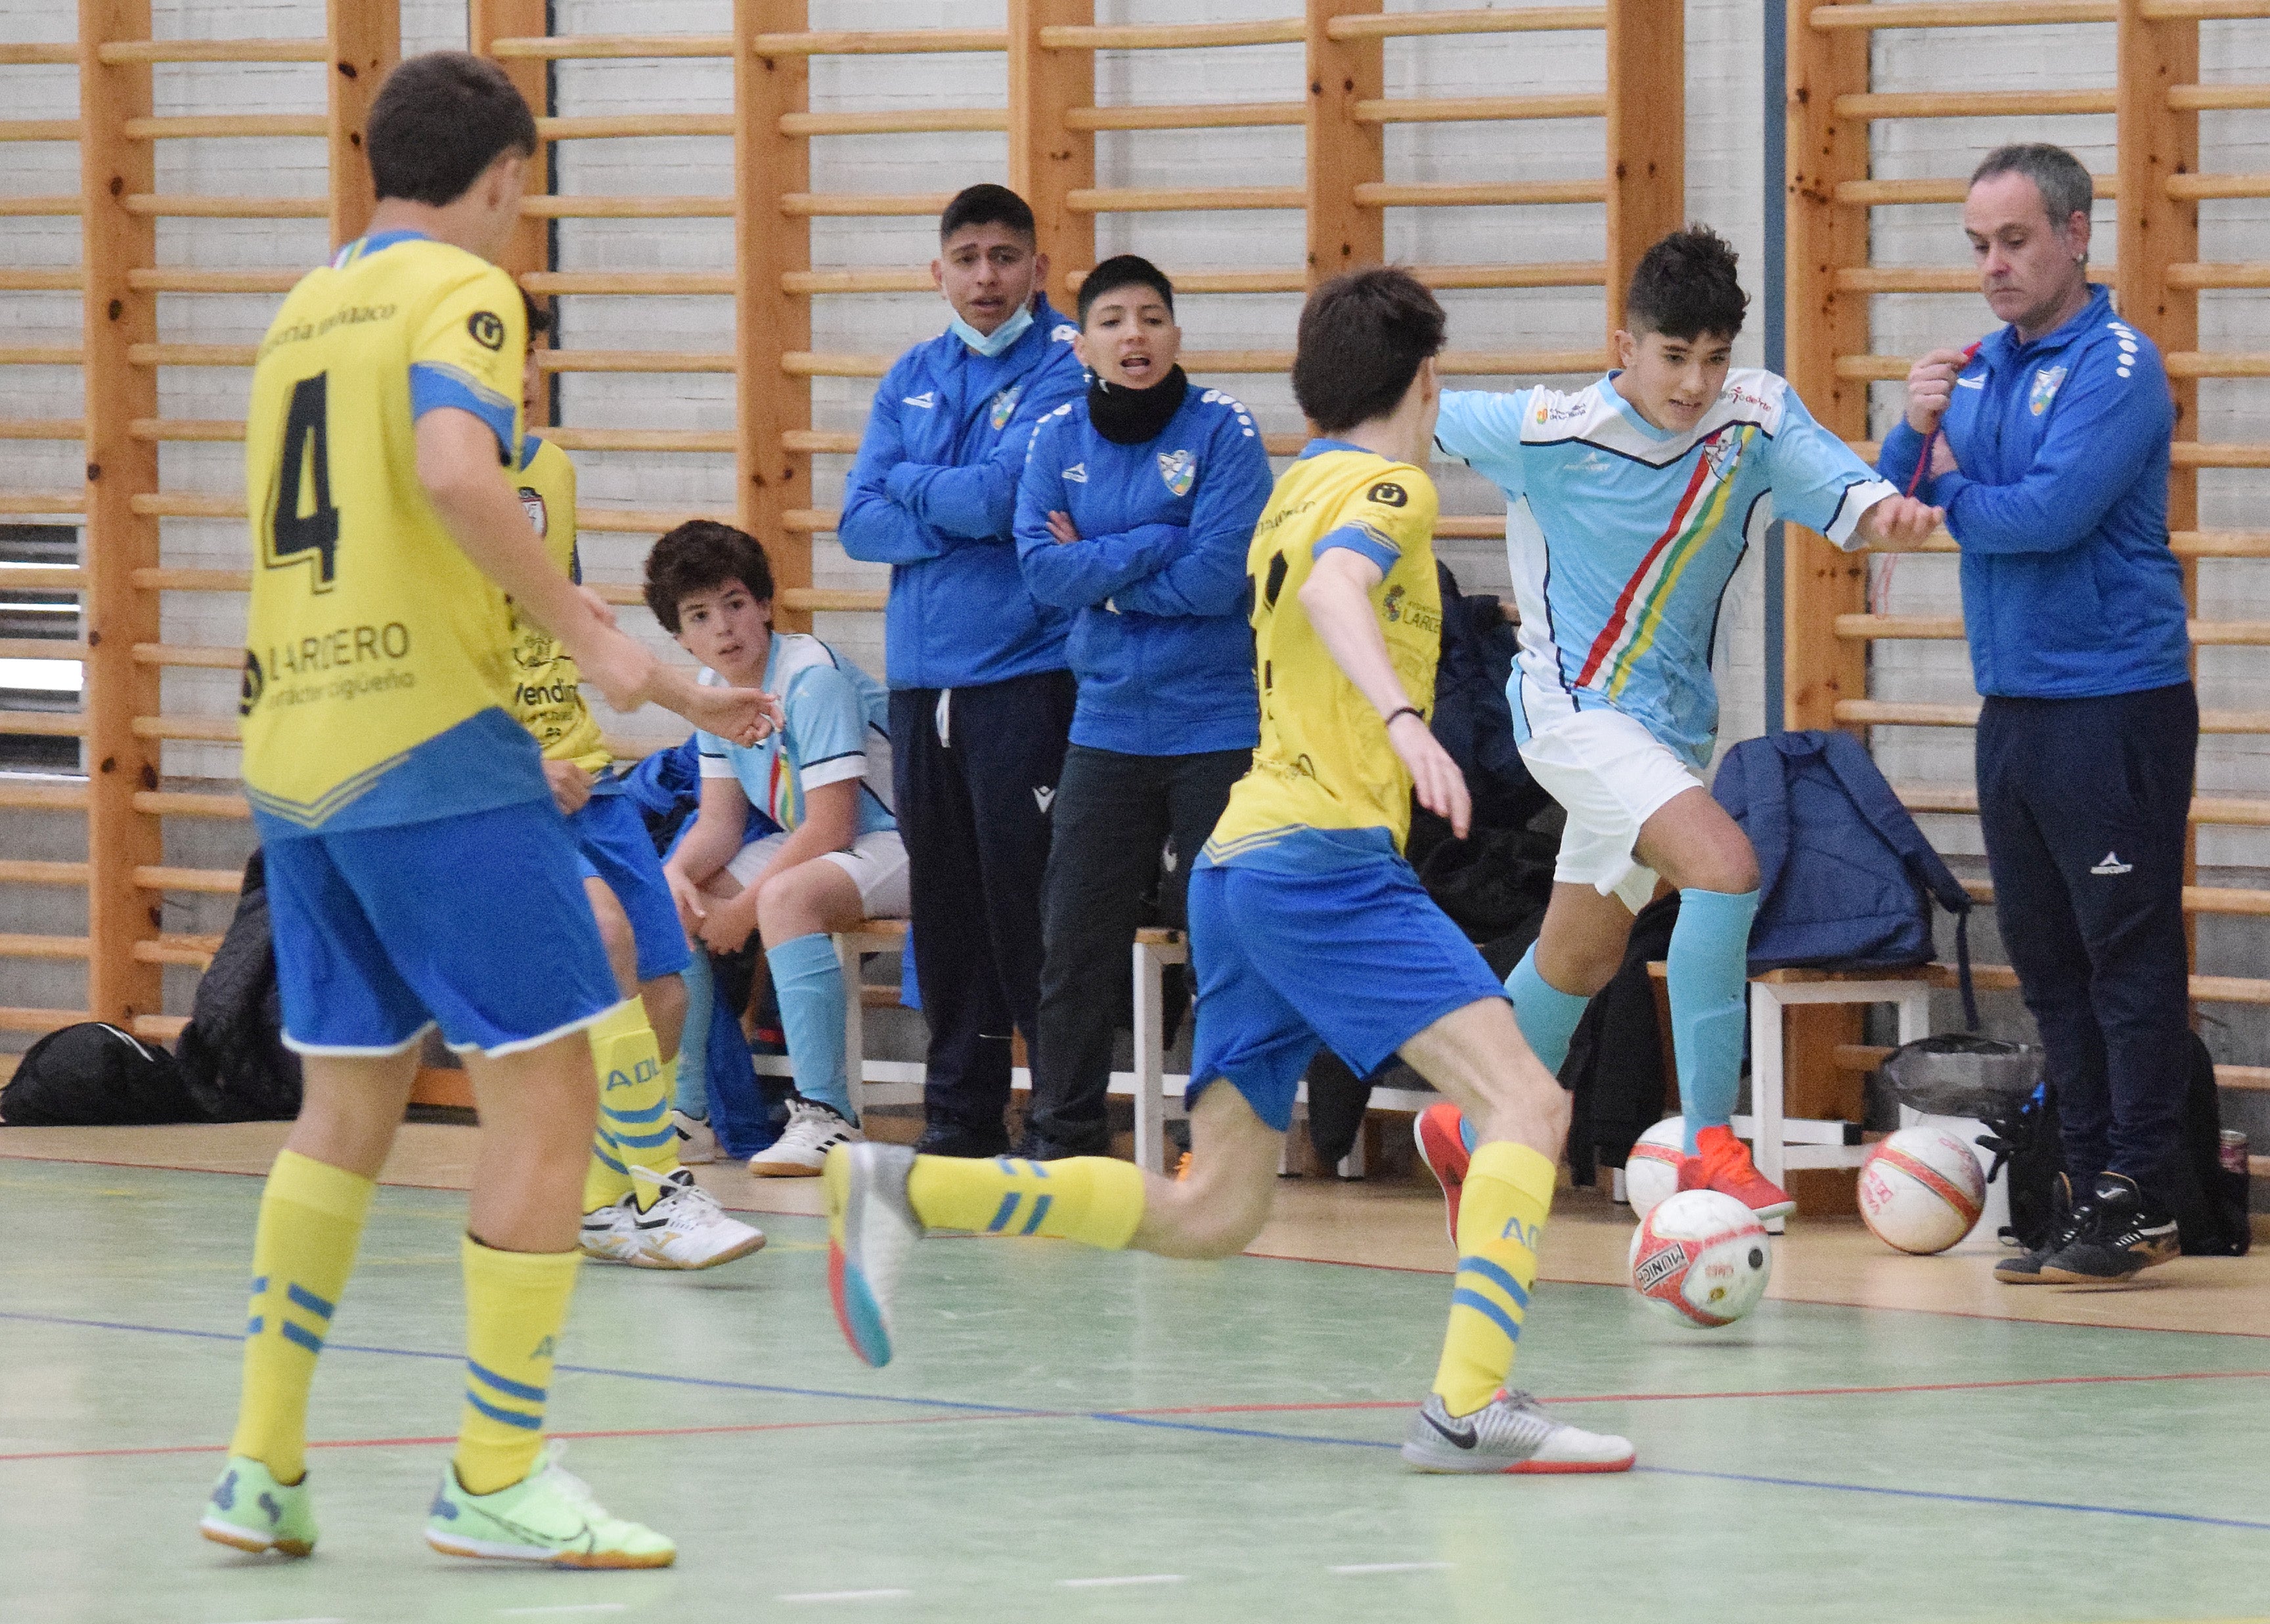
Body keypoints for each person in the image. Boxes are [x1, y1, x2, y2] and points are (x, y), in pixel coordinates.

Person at [824, 267, 1639, 1476]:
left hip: (1237, 859)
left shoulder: (1292, 483)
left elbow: (1300, 583)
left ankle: (906, 1190)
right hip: (1320, 857)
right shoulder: (1386, 486)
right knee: (1529, 1101)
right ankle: (1471, 1404)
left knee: (1216, 1211)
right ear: (1425, 381)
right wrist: (1406, 722)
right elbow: (1338, 586)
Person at [202, 53, 773, 1568]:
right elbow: (457, 466)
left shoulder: (303, 307)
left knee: (346, 1109)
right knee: (552, 1091)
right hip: (430, 748)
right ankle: (496, 1476)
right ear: (507, 176)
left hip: (293, 751)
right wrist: (608, 651)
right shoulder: (462, 290)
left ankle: (260, 1469)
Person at [1410, 226, 1944, 1232]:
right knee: (1727, 868)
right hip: (1571, 715)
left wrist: (1898, 513)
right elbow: (1405, 416)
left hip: (1670, 733)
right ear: (1626, 346)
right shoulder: (1548, 430)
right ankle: (1709, 1141)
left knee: (1578, 956)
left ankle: (1467, 1131)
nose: (1694, 383)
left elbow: (1860, 498)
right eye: (1672, 357)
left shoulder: (1756, 419)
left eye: (1712, 357)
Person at [1882, 144, 2194, 1284]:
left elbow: (2047, 517)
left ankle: (2146, 1185)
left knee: (2126, 951)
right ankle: (2086, 1177)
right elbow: (1897, 499)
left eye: (2014, 241)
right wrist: (1911, 424)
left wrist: (1951, 485)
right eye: (1977, 246)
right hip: (2013, 703)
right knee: (2050, 964)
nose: (1993, 267)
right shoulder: (1974, 368)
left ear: (2074, 233)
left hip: (2113, 700)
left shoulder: (2118, 364)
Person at [505, 290, 765, 1269]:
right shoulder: (433, 484)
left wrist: (687, 702)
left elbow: (559, 622)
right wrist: (514, 762)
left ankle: (597, 1190)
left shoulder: (549, 469)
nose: (522, 372)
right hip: (500, 783)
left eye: (533, 351)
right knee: (604, 939)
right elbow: (429, 654)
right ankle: (655, 1191)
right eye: (499, 351)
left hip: (586, 769)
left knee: (664, 992)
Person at [838, 183, 1086, 1157]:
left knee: (1028, 908)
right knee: (946, 912)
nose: (986, 277)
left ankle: (1062, 1118)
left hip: (1026, 676)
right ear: (936, 270)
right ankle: (960, 1115)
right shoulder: (910, 371)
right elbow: (859, 522)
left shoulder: (1069, 366)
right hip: (921, 683)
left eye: (1005, 257)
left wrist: (913, 485)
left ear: (1036, 267)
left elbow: (1005, 498)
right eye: (968, 257)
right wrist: (948, 499)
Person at [1014, 255, 1274, 1158]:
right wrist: (1156, 542)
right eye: (1115, 320)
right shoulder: (1054, 438)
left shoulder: (1225, 431)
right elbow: (1043, 574)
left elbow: (1217, 578)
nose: (1135, 336)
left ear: (1176, 332)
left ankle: (1225, 1143)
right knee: (1074, 942)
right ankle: (1064, 1140)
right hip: (1107, 724)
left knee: (1225, 940)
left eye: (1153, 317)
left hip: (1218, 724)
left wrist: (1107, 569)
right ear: (1082, 342)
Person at [653, 520, 906, 1177]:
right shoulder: (711, 691)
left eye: (736, 604)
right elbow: (720, 824)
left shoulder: (811, 679)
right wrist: (677, 872)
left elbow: (831, 826)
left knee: (786, 900)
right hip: (832, 844)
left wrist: (746, 913)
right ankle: (688, 1118)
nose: (725, 628)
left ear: (765, 605)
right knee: (672, 902)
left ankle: (826, 1116)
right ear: (680, 636)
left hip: (906, 839)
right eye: (700, 616)